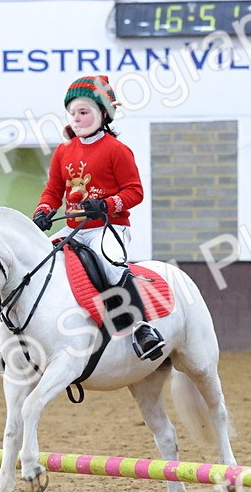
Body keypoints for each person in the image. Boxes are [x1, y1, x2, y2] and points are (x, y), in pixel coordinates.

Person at [35, 76, 164, 361]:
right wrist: (43, 211)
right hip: (74, 229)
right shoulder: (63, 151)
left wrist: (105, 205)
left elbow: (135, 192)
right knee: (37, 258)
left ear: (104, 113)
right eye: (73, 113)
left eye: (84, 112)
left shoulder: (117, 150)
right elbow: (53, 192)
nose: (77, 119)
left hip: (108, 227)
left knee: (111, 262)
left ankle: (142, 329)